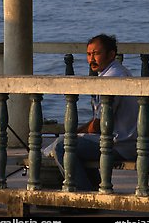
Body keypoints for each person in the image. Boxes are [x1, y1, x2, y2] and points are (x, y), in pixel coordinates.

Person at [48, 33, 139, 191]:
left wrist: (75, 133)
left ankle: (81, 195)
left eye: (96, 54)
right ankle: (91, 189)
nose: (92, 59)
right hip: (123, 141)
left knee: (63, 147)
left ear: (111, 54)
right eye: (89, 54)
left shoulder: (113, 77)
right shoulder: (115, 72)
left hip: (120, 145)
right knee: (72, 143)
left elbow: (97, 126)